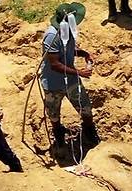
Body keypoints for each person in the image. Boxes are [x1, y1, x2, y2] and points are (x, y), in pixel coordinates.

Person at [40, 2, 100, 147]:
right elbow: (55, 64)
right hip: (53, 83)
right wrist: (80, 72)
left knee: (85, 107)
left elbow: (67, 49)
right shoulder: (51, 36)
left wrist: (82, 53)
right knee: (53, 113)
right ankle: (58, 133)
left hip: (71, 80)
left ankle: (88, 130)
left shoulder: (69, 31)